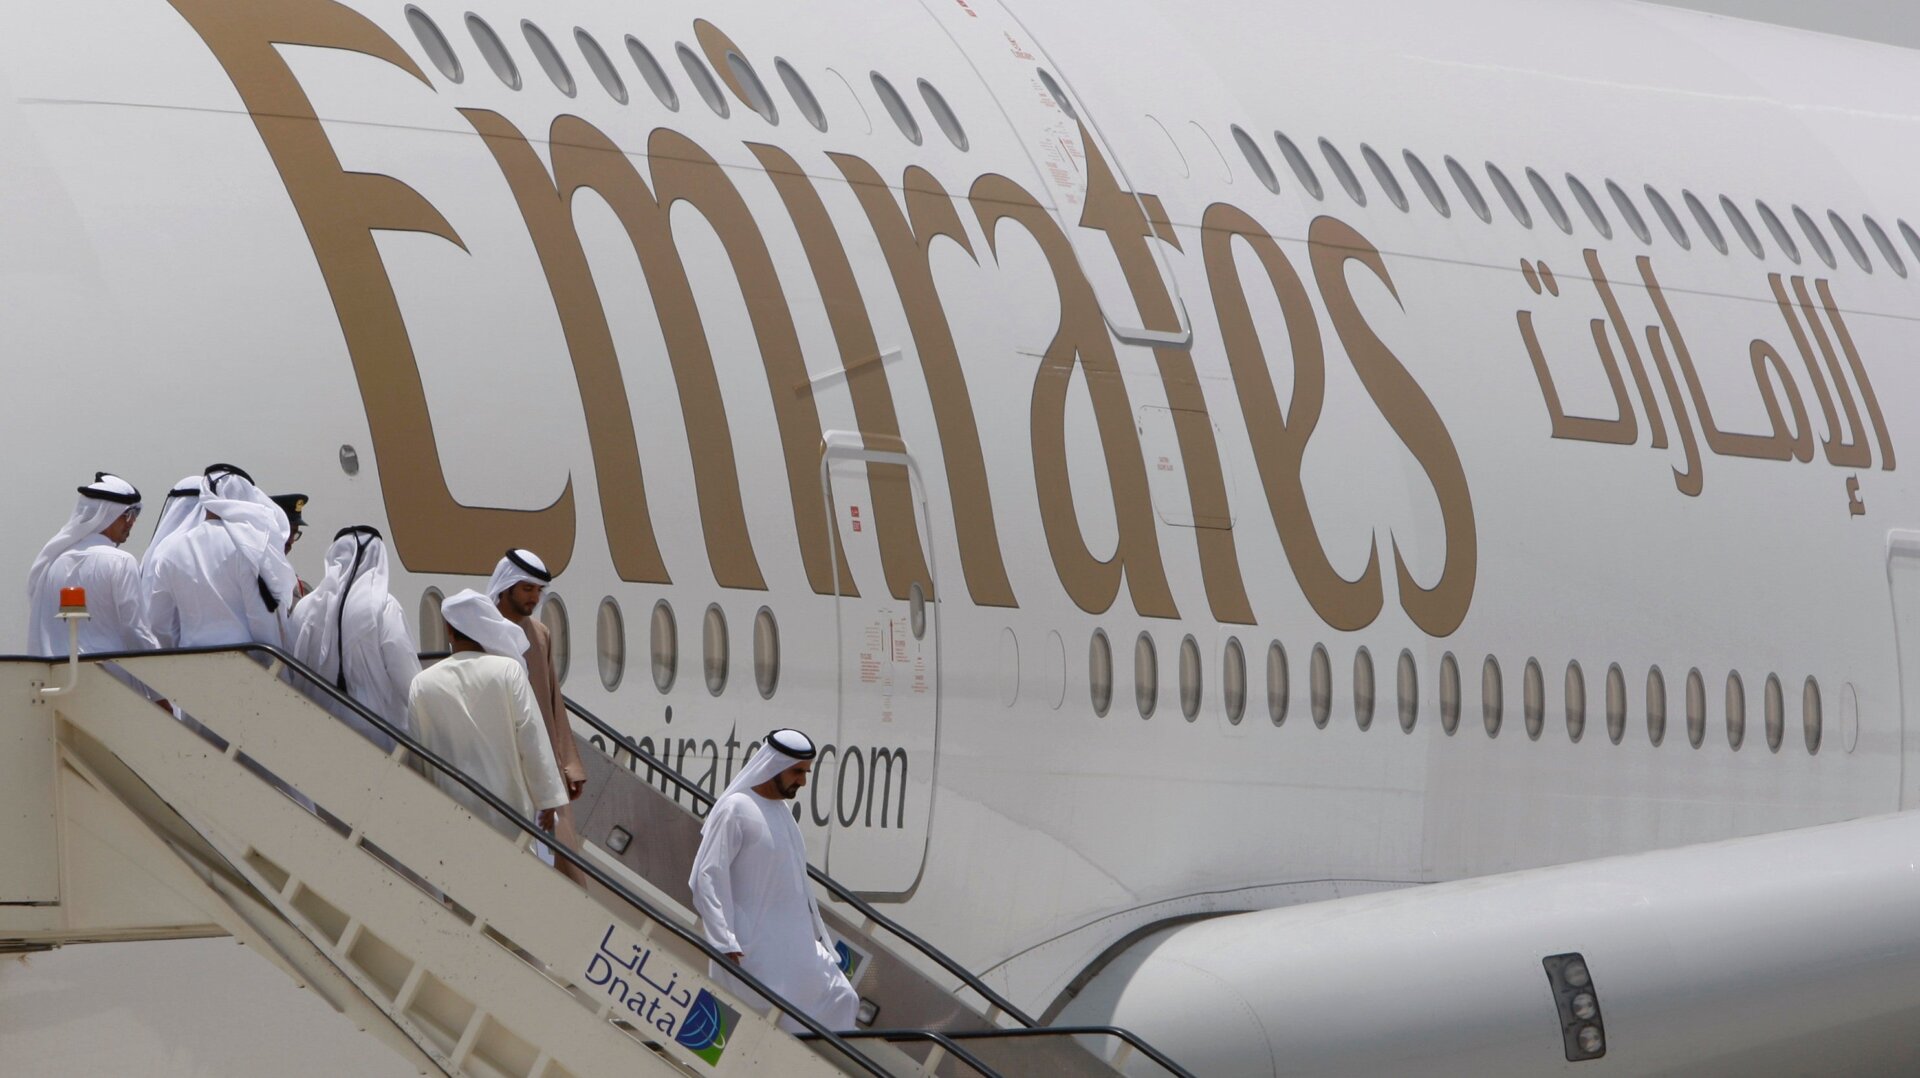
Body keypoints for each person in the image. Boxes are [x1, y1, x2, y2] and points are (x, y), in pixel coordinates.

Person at [688, 729, 859, 1033]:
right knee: (761, 1025)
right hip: (750, 946)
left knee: (842, 998)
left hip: (793, 946)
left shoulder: (782, 814)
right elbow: (706, 876)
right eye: (797, 772)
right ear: (774, 765)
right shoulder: (735, 808)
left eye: (806, 772)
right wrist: (723, 938)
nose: (803, 781)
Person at [406, 590, 567, 843]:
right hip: (507, 815)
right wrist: (547, 800)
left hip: (448, 814)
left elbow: (418, 755)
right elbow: (531, 738)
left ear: (449, 629)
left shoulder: (422, 684)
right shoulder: (508, 672)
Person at [488, 548, 587, 883]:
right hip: (498, 756)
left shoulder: (539, 635)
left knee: (552, 853)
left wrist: (568, 766)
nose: (534, 598)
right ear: (507, 587)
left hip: (540, 761)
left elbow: (553, 704)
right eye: (527, 589)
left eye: (538, 591)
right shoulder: (481, 628)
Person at [288, 526, 420, 750]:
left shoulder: (304, 608)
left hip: (317, 734)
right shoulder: (384, 607)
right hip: (377, 737)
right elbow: (407, 679)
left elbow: (291, 673)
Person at [146, 465, 299, 648]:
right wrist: (272, 665)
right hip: (242, 661)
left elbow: (160, 623)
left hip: (187, 660)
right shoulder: (248, 546)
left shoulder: (170, 549)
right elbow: (261, 618)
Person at [26, 473, 158, 655]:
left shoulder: (52, 563)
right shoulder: (121, 562)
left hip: (59, 675)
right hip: (110, 675)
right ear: (105, 515)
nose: (132, 522)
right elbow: (135, 630)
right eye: (128, 514)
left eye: (136, 513)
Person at [270, 493, 314, 605]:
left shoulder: (300, 588)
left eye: (294, 533)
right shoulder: (248, 573)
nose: (291, 541)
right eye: (287, 532)